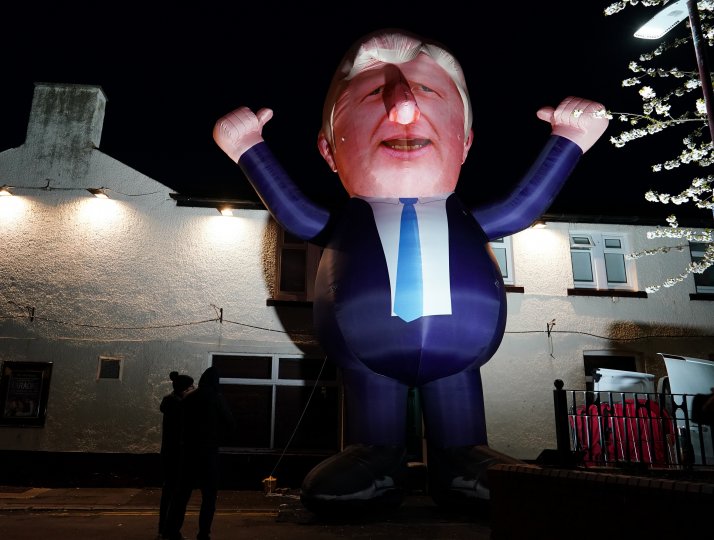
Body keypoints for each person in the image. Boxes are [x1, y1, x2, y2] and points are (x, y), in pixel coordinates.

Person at [213, 28, 608, 513]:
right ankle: (375, 455)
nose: (402, 109)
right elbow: (294, 213)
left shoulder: (463, 216)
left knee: (459, 418)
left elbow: (522, 207)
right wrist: (248, 148)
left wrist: (571, 139)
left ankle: (462, 456)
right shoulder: (347, 221)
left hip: (459, 349)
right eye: (376, 93)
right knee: (372, 415)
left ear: (465, 141)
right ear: (328, 149)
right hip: (366, 352)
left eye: (427, 91)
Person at [162, 366, 236, 540]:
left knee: (181, 495)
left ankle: (171, 531)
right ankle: (203, 533)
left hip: (188, 453)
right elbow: (231, 424)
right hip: (208, 454)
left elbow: (179, 425)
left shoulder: (188, 399)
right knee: (209, 497)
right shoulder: (216, 398)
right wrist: (217, 438)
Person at [158, 371, 195, 539]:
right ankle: (170, 531)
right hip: (177, 455)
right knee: (176, 495)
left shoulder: (170, 402)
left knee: (169, 493)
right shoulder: (178, 405)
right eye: (191, 387)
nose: (194, 389)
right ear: (184, 389)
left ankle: (165, 530)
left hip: (168, 453)